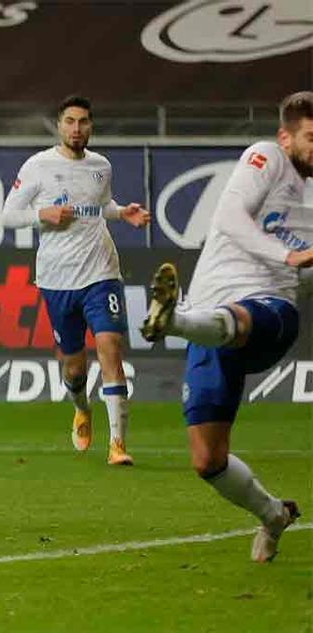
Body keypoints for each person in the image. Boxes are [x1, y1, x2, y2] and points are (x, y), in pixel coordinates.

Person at [141, 90, 313, 562]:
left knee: (238, 319)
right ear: (286, 136)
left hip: (271, 312)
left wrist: (298, 264)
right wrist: (290, 254)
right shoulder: (268, 157)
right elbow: (229, 217)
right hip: (212, 315)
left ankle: (170, 319)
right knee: (207, 460)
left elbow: (306, 273)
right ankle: (274, 514)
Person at [2, 95, 151, 465]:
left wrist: (122, 212)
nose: (76, 128)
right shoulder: (38, 166)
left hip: (101, 272)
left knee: (111, 348)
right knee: (74, 365)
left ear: (91, 126)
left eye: (83, 122)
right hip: (57, 278)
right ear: (59, 125)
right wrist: (43, 214)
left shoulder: (101, 166)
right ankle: (81, 407)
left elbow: (100, 207)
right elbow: (8, 215)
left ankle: (118, 444)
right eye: (70, 121)